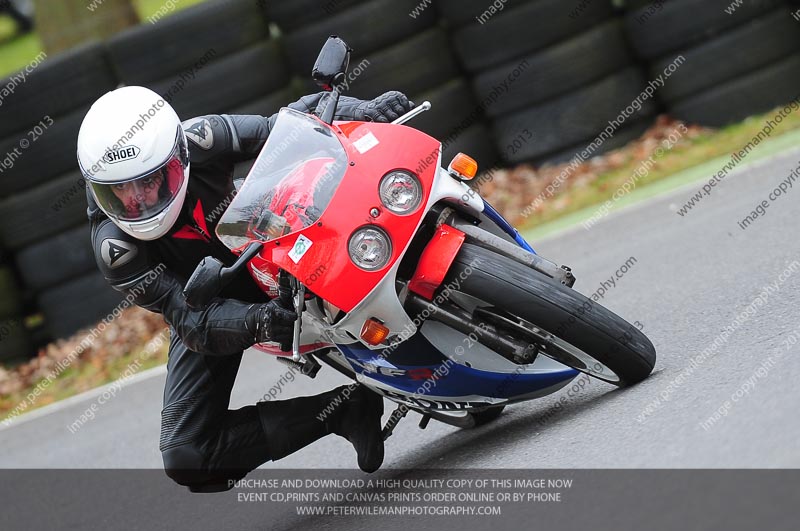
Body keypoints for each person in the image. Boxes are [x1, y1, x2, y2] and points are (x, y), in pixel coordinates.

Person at [77, 85, 415, 492]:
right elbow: (188, 319)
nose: (137, 200)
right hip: (210, 304)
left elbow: (293, 124)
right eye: (121, 190)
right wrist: (258, 321)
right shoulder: (116, 249)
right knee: (188, 455)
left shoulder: (201, 138)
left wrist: (368, 107)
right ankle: (343, 410)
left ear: (176, 158)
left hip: (270, 238)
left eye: (148, 182)